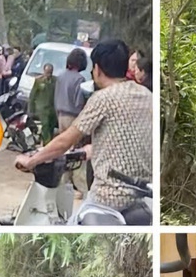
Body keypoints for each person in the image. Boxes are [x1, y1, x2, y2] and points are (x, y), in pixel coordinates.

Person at [15, 39, 151, 218]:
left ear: (98, 69)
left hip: (109, 198)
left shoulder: (103, 98)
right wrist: (93, 149)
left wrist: (31, 161)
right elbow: (132, 134)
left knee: (74, 224)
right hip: (144, 194)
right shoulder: (146, 95)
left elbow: (64, 142)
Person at [53, 47, 88, 131]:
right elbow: (79, 102)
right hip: (73, 116)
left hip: (60, 115)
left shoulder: (60, 76)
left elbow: (56, 96)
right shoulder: (80, 79)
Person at [30, 63, 58, 143]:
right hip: (42, 108)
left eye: (50, 72)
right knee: (45, 125)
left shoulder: (55, 81)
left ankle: (49, 141)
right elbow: (32, 96)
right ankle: (47, 143)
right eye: (47, 72)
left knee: (51, 126)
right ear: (44, 71)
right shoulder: (38, 80)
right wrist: (31, 110)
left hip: (52, 108)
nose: (48, 74)